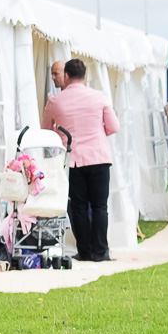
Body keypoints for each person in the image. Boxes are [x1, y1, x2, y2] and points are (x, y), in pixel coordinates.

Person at [41, 57, 119, 261]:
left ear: (66, 76)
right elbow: (113, 127)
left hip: (75, 158)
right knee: (100, 206)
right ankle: (100, 251)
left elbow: (46, 130)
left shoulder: (55, 101)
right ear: (84, 76)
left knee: (79, 207)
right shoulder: (99, 96)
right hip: (99, 156)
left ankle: (84, 250)